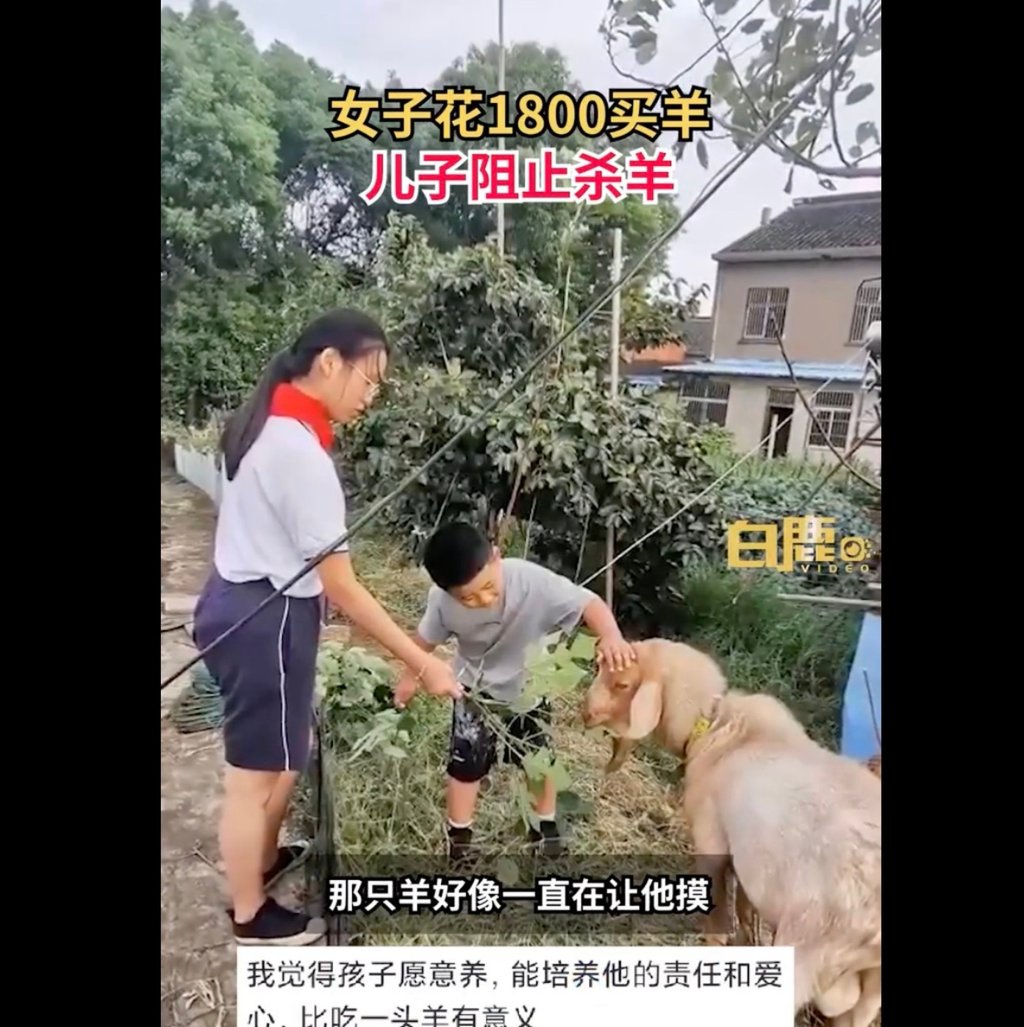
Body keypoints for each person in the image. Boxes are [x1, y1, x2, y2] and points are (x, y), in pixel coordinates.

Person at [191, 309, 463, 947]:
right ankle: (250, 913)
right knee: (252, 777)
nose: (370, 396)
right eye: (368, 380)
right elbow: (341, 584)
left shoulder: (276, 426)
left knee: (283, 760)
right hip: (265, 619)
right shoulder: (296, 451)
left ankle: (258, 863)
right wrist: (421, 661)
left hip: (252, 604)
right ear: (329, 363)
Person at [393, 521, 636, 862]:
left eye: (488, 587)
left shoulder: (531, 580)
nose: (482, 600)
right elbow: (424, 643)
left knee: (539, 763)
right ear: (447, 593)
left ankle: (544, 828)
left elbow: (588, 603)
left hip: (530, 692)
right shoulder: (442, 603)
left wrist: (610, 635)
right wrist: (410, 676)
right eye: (468, 598)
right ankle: (460, 841)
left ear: (496, 558)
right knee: (466, 767)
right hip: (474, 695)